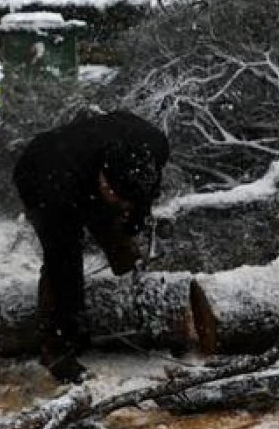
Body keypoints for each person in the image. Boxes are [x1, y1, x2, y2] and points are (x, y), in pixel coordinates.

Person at [12, 111, 170, 383]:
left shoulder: (153, 146)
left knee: (124, 244)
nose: (120, 205)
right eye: (115, 197)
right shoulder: (56, 188)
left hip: (91, 166)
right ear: (103, 180)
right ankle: (57, 348)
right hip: (41, 170)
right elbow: (62, 265)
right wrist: (69, 316)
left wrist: (134, 221)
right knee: (66, 261)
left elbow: (144, 194)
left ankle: (134, 292)